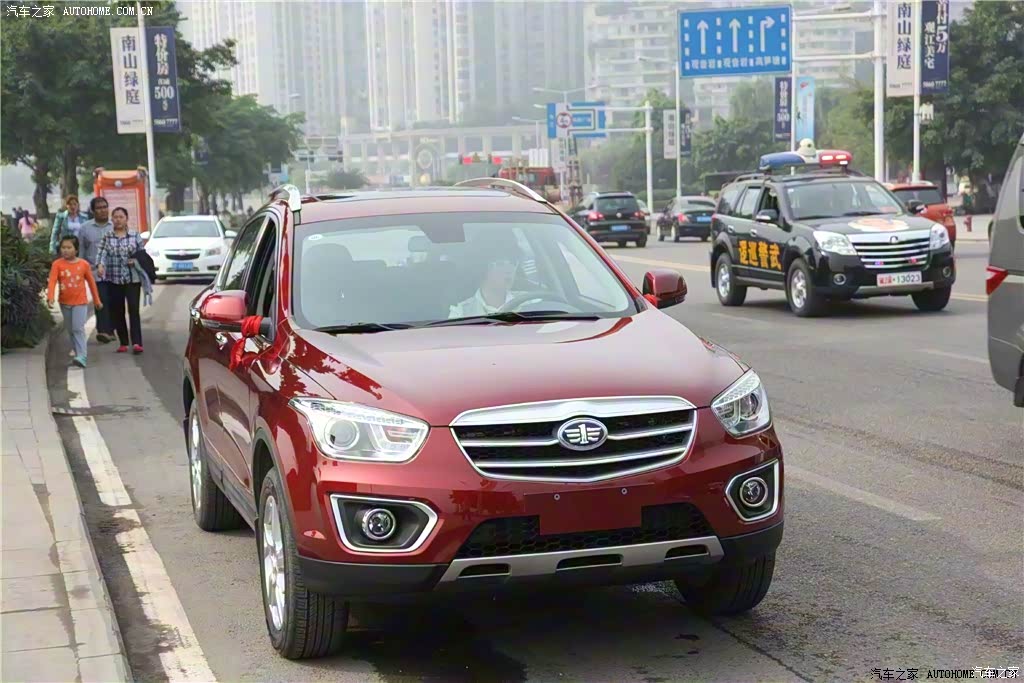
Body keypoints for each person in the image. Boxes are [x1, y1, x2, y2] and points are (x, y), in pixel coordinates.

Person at [47, 236, 102, 368]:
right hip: (64, 302)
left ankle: (82, 355)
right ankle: (78, 355)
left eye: (69, 247)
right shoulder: (57, 264)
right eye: (63, 248)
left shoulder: (83, 264)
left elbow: (92, 283)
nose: (65, 250)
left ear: (76, 250)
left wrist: (96, 300)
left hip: (80, 302)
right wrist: (50, 297)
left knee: (78, 328)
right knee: (71, 330)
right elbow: (52, 281)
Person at [96, 207, 145, 354]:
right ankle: (123, 342)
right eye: (115, 217)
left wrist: (135, 261)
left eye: (121, 217)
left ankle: (137, 342)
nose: (118, 220)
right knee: (117, 310)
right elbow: (101, 253)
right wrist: (100, 265)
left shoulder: (135, 235)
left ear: (126, 219)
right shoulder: (107, 237)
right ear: (112, 219)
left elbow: (143, 255)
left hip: (132, 279)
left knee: (133, 310)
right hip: (114, 279)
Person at [449, 240, 523, 318]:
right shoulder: (461, 313)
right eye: (500, 264)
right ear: (482, 268)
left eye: (513, 263)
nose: (509, 269)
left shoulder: (527, 302)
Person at [80, 197, 115, 342]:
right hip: (94, 272)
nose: (103, 210)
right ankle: (103, 330)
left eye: (105, 207)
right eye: (99, 208)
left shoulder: (115, 226)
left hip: (114, 271)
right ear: (93, 211)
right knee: (101, 299)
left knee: (113, 301)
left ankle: (111, 330)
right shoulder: (85, 228)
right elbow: (81, 251)